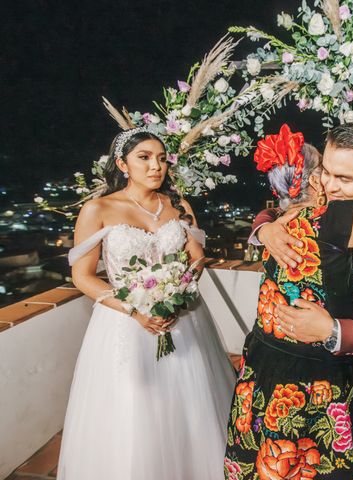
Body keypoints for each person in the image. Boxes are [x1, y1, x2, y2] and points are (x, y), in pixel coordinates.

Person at [223, 124, 353, 479]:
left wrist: (331, 330)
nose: (329, 186)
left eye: (344, 178)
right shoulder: (316, 205)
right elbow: (277, 212)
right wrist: (264, 229)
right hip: (313, 375)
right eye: (326, 173)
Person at [58, 127, 235, 479]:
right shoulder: (99, 209)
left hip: (182, 320)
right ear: (123, 164)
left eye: (161, 158)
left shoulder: (179, 206)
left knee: (191, 405)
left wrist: (175, 292)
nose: (156, 166)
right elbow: (83, 277)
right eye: (144, 157)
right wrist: (134, 309)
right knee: (135, 408)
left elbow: (196, 259)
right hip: (124, 324)